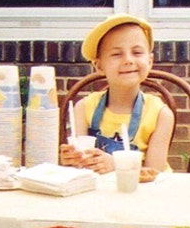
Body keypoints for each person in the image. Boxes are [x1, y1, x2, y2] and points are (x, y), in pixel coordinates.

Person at [60, 14, 174, 175]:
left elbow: (154, 175)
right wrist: (74, 160)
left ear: (150, 61)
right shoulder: (84, 108)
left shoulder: (160, 115)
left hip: (140, 195)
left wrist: (117, 165)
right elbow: (79, 170)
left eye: (137, 52)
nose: (128, 60)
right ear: (99, 66)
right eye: (116, 54)